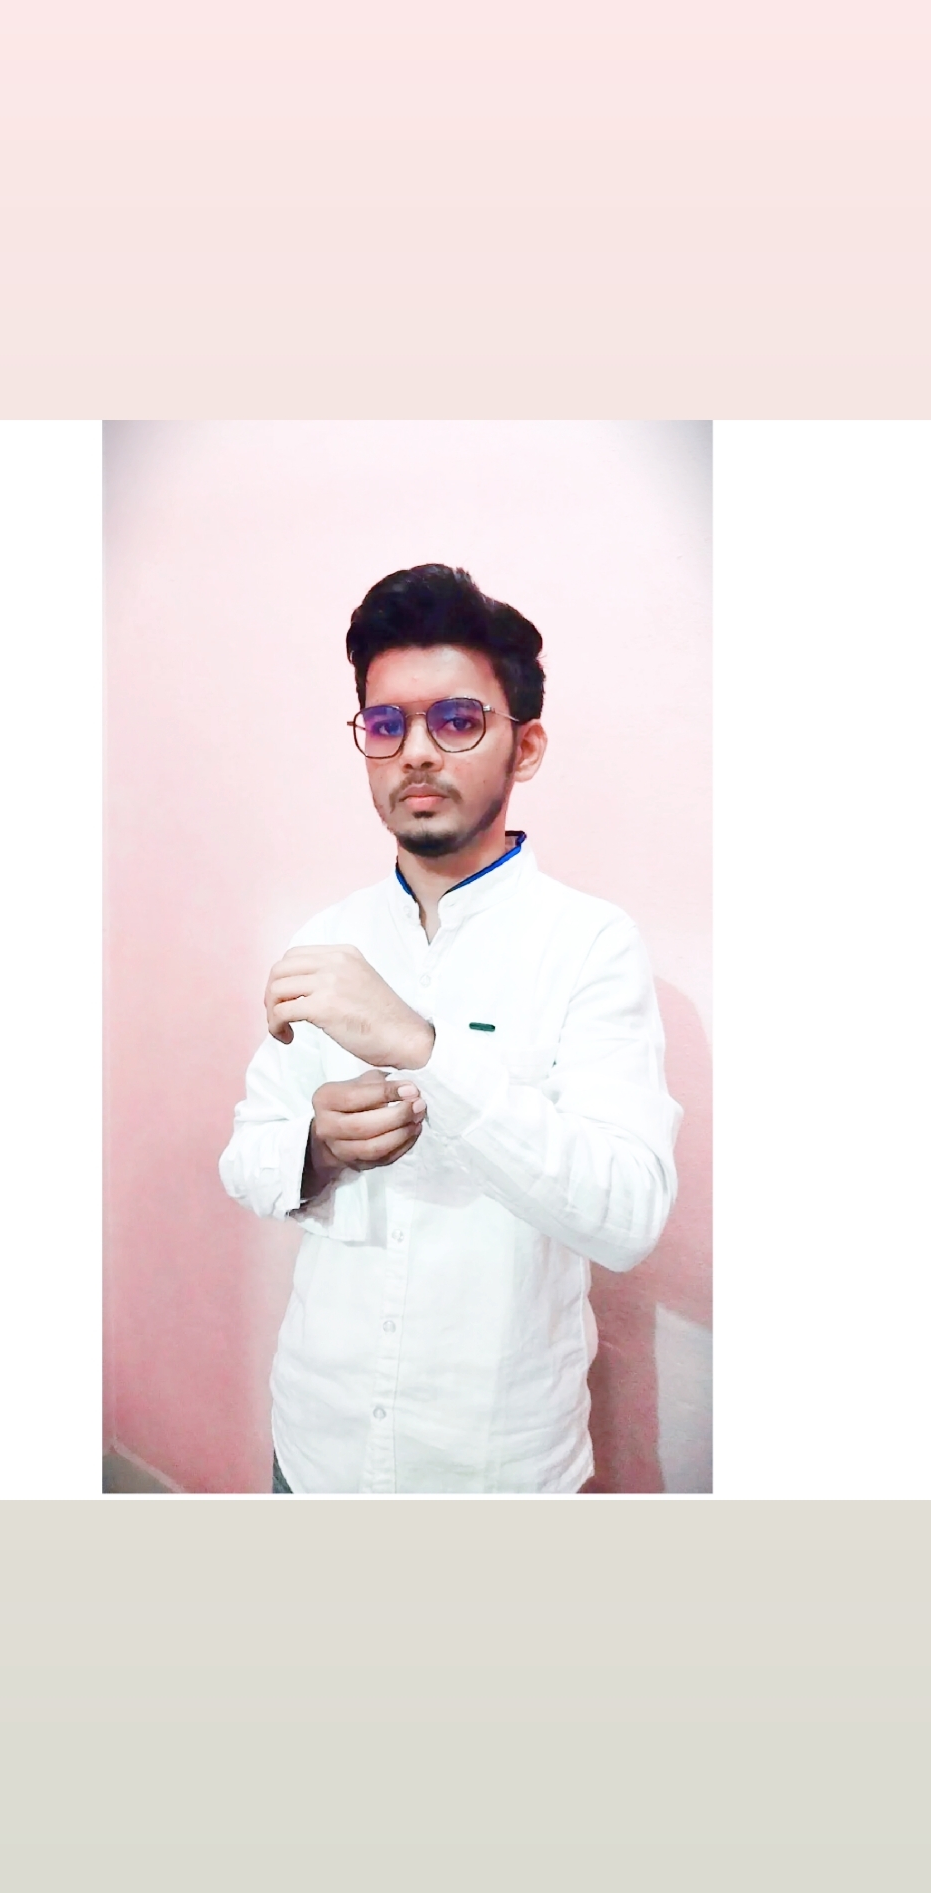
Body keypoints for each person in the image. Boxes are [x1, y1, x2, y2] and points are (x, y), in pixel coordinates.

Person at [219, 564, 682, 1495]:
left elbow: (629, 1215)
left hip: (494, 1469)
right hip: (314, 1450)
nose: (416, 753)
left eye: (458, 720)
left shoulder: (591, 945)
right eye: (386, 724)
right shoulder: (325, 938)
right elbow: (246, 1156)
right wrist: (316, 1149)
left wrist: (422, 1048)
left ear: (526, 746)